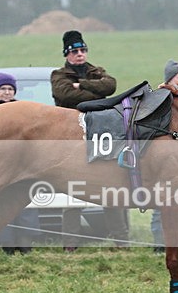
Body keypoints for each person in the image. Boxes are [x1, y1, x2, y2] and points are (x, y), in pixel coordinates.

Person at [51, 30, 129, 251]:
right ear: (67, 54)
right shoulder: (58, 75)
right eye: (75, 51)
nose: (80, 55)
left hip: (99, 136)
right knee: (72, 192)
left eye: (83, 50)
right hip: (71, 139)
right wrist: (94, 93)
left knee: (109, 189)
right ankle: (70, 245)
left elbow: (110, 86)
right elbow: (66, 96)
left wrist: (81, 85)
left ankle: (122, 242)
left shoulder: (96, 70)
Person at [0, 72, 37, 254]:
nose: (7, 92)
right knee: (0, 205)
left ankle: (26, 244)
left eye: (10, 89)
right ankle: (7, 246)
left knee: (24, 205)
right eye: (3, 88)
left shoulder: (22, 110)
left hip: (21, 166)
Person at [149, 60, 178, 253]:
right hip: (164, 163)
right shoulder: (158, 101)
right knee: (162, 204)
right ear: (169, 81)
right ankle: (160, 244)